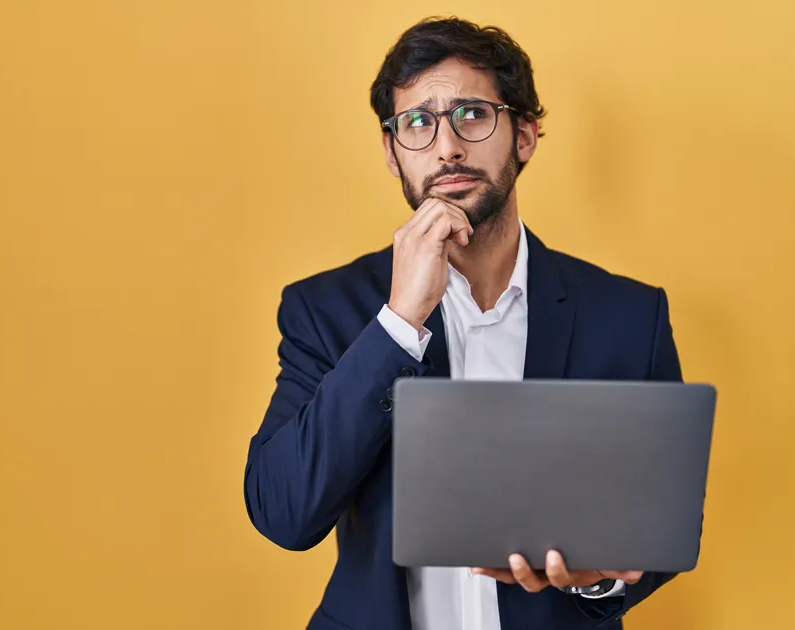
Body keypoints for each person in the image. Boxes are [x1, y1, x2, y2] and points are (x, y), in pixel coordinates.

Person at [242, 16, 684, 630]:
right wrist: (398, 323)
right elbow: (284, 512)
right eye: (417, 124)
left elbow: (662, 517)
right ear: (393, 154)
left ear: (525, 134)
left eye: (472, 114)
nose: (446, 146)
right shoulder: (327, 310)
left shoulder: (629, 316)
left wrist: (603, 576)